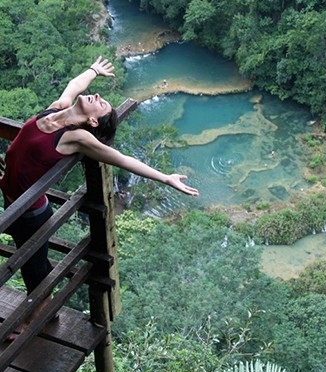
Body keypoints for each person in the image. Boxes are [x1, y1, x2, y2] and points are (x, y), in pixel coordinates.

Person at [0, 56, 199, 340]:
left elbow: (122, 159)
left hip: (30, 212)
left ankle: (33, 318)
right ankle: (45, 307)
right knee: (34, 262)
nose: (97, 96)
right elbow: (74, 84)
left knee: (33, 268)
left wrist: (166, 178)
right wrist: (93, 71)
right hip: (12, 200)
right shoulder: (56, 110)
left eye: (100, 103)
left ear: (92, 120)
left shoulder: (77, 138)